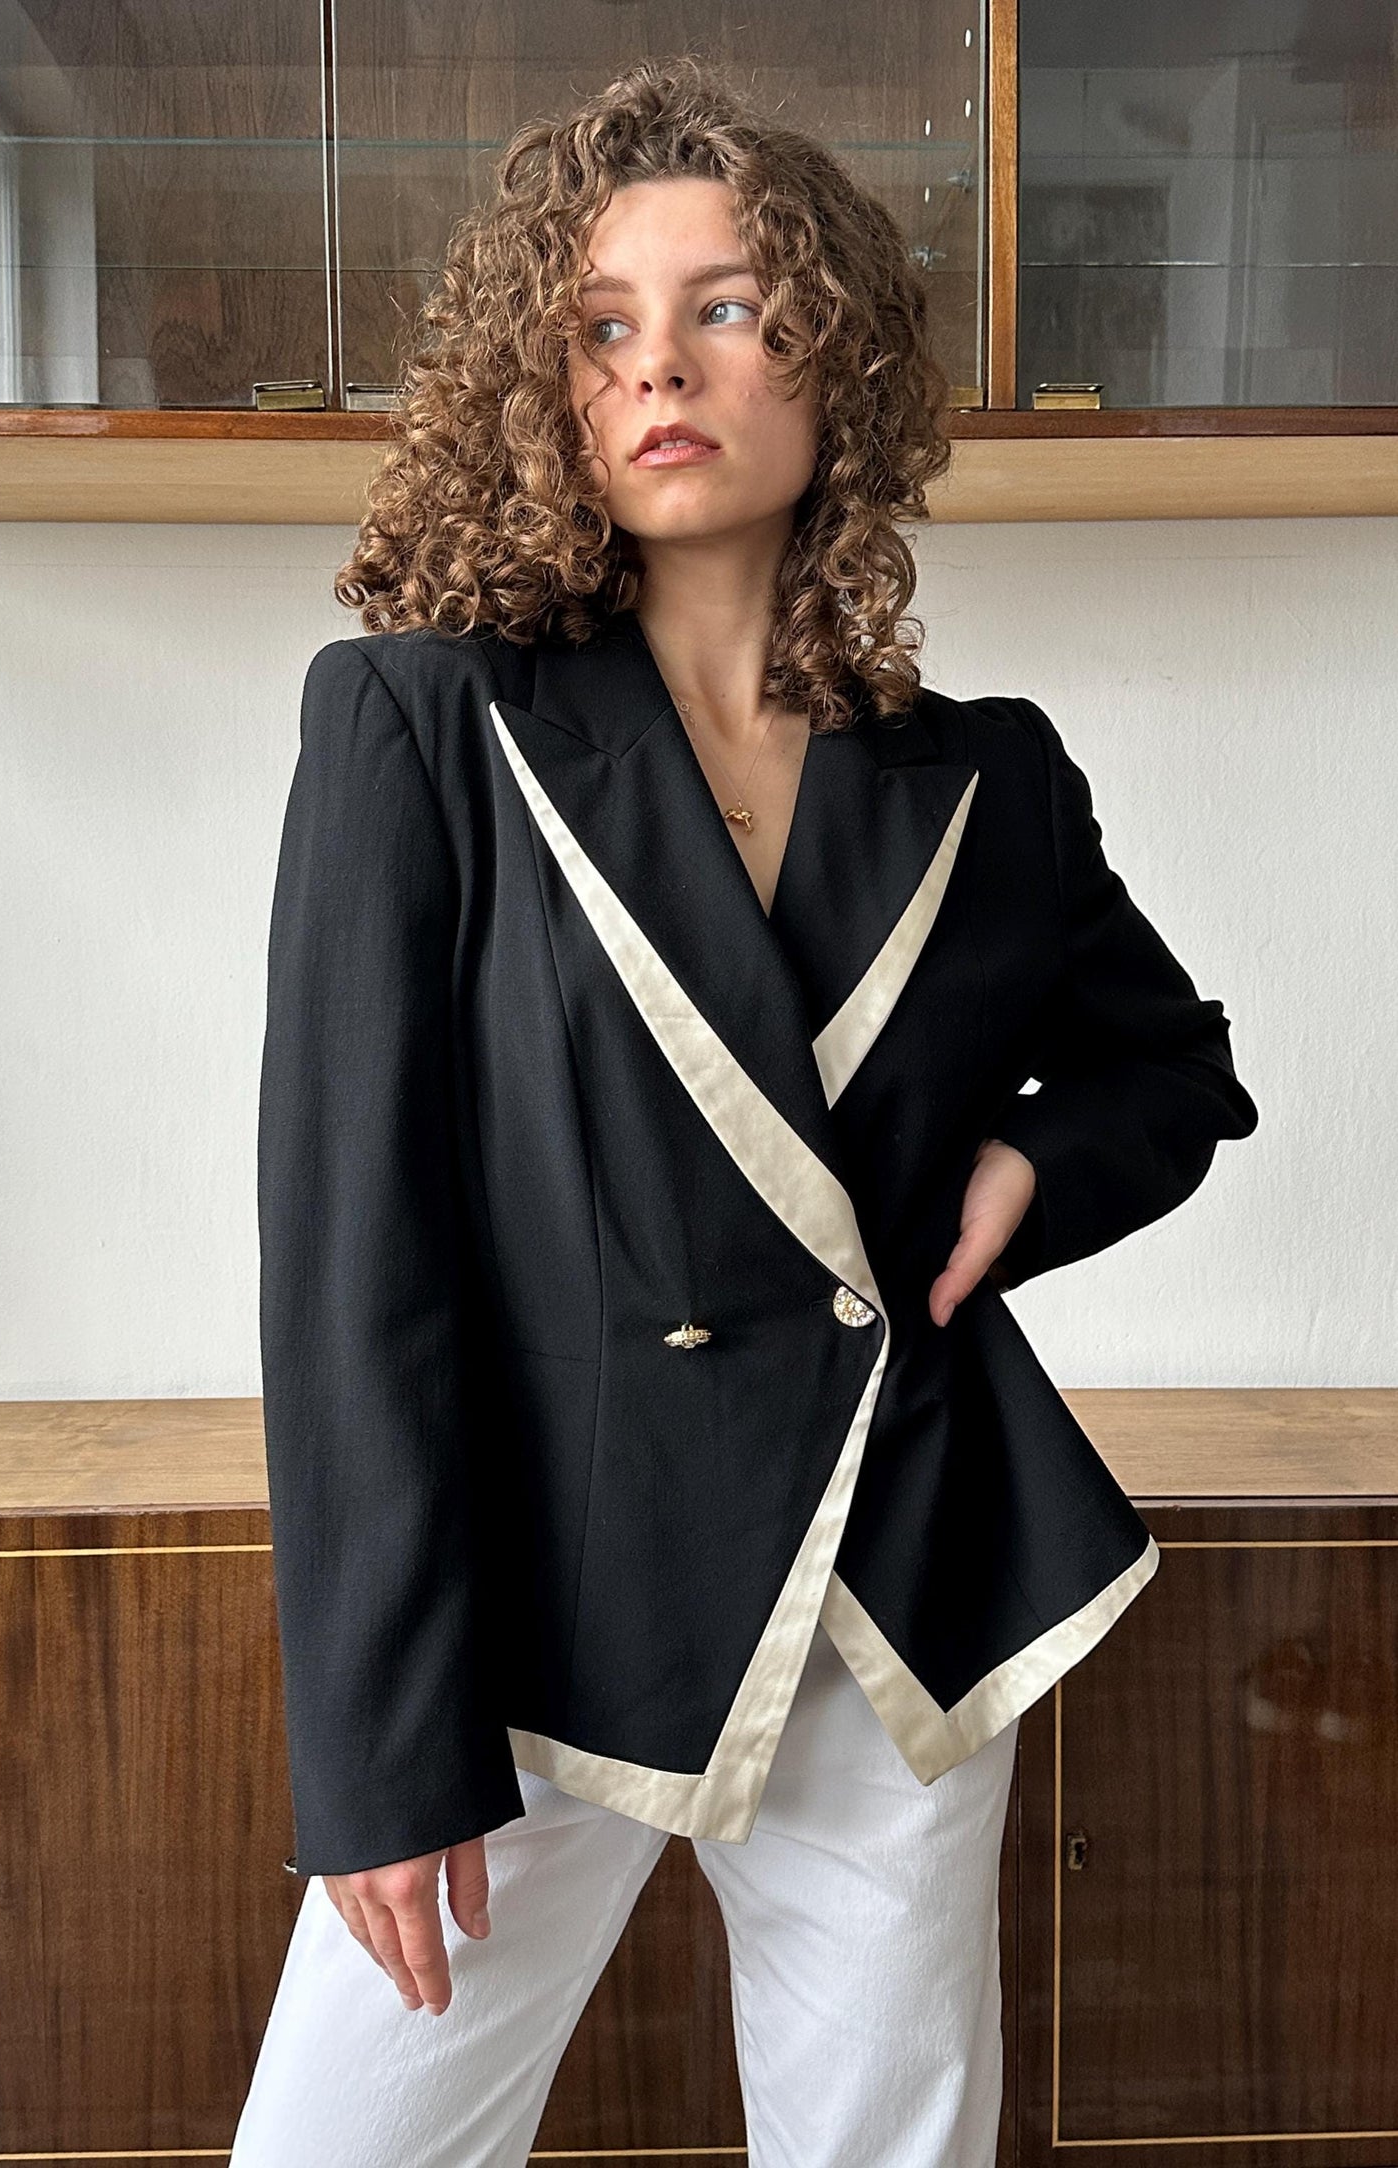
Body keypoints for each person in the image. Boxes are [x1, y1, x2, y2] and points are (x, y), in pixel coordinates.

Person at [230, 52, 1259, 2168]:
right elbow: (353, 1268)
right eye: (601, 323)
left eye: (726, 304)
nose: (659, 365)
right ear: (544, 384)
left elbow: (1177, 1071)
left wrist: (1032, 1168)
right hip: (538, 1621)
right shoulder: (421, 722)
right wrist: (373, 1752)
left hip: (893, 1587)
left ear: (832, 355)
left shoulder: (984, 772)